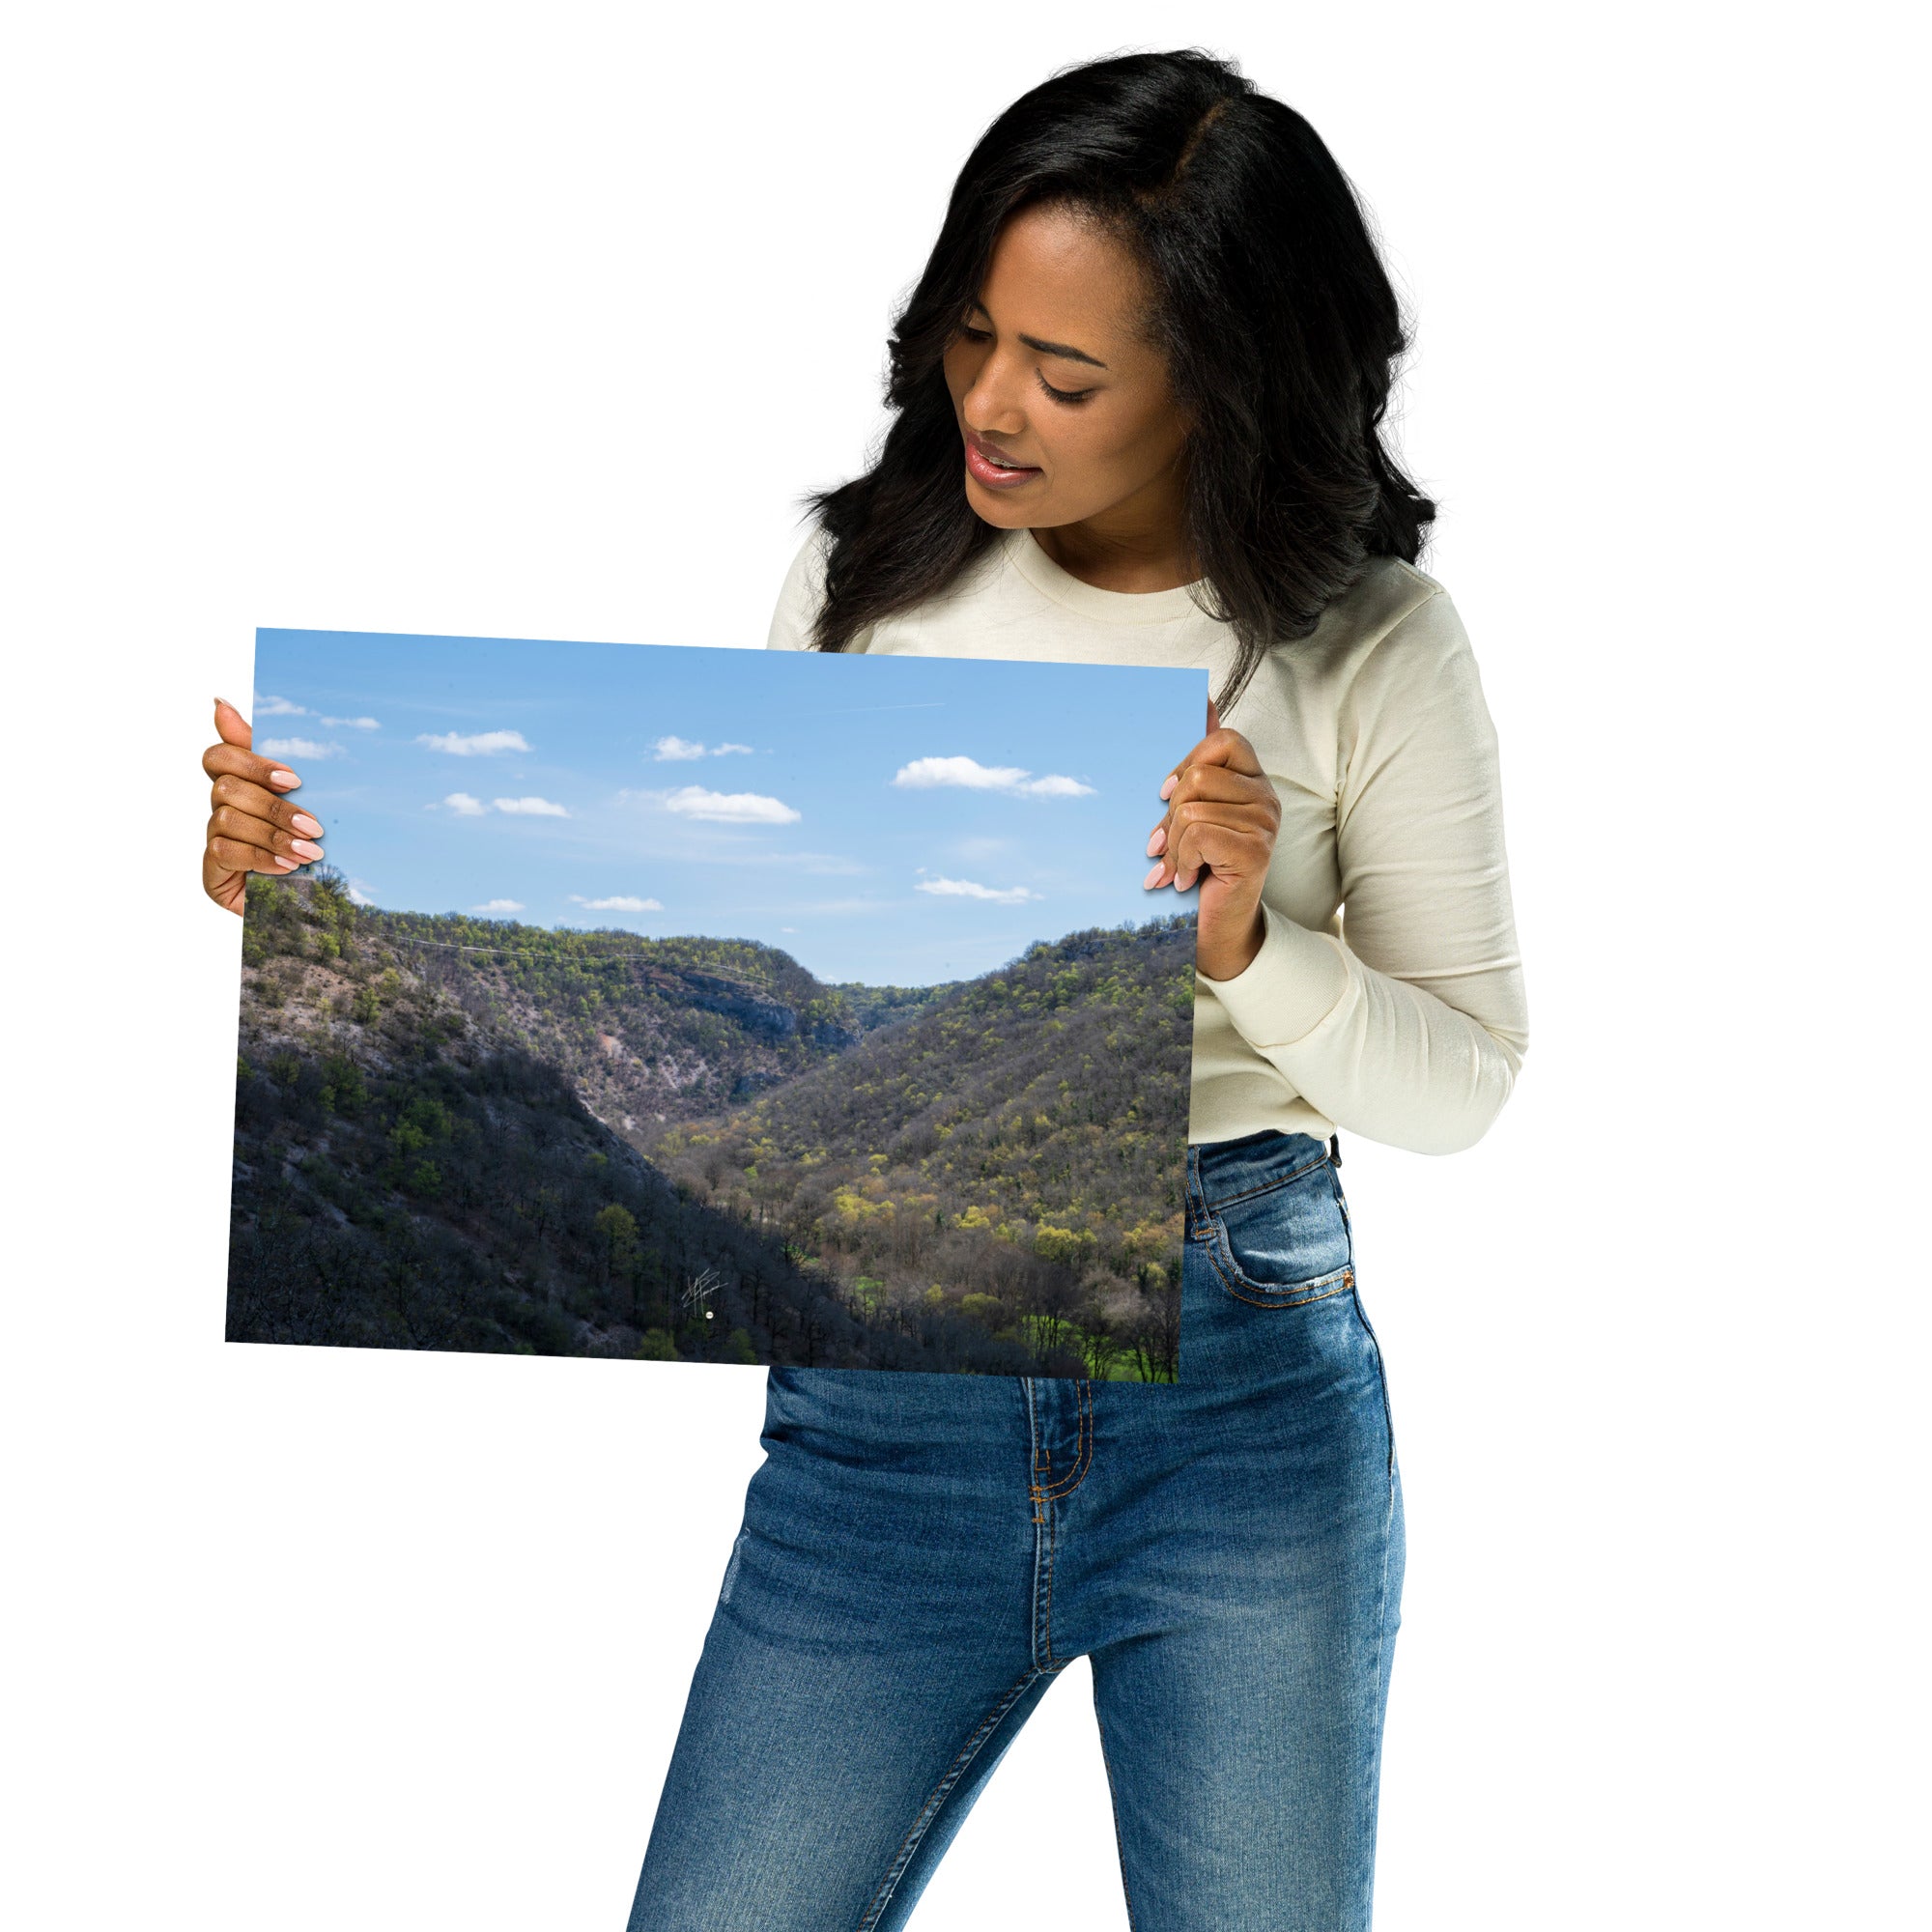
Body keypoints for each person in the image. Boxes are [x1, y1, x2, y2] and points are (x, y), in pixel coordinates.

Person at [199, 48, 1528, 1932]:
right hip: (881, 1433)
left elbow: (1464, 1082)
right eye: (971, 335)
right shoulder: (862, 571)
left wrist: (1247, 943)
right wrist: (306, 885)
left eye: (1065, 375)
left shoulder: (1371, 639)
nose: (991, 402)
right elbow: (690, 878)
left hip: (1238, 1399)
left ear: (1223, 380)